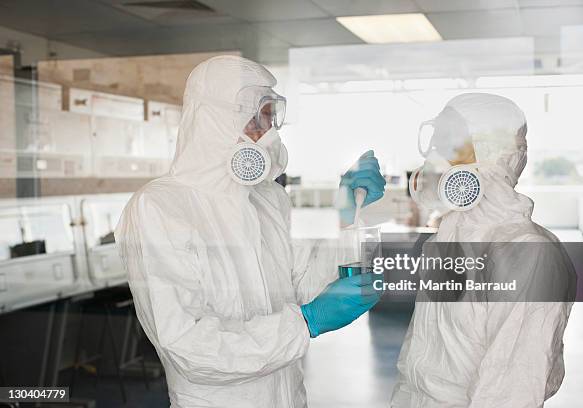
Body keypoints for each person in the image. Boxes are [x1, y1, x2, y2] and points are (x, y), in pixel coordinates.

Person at [115, 55, 385, 408]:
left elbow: (303, 287)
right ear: (213, 120)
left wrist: (344, 214)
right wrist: (304, 323)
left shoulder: (269, 197)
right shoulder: (160, 207)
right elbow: (187, 347)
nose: (268, 132)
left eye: (271, 116)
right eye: (256, 117)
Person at [392, 93, 576, 407]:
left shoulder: (528, 253)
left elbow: (512, 391)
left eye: (449, 144)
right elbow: (420, 360)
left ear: (494, 154)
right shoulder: (447, 240)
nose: (435, 158)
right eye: (436, 144)